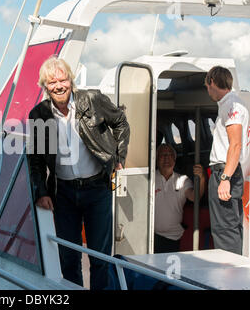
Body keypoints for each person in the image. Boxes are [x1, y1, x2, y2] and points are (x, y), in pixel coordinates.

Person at [27, 56, 130, 290]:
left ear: (71, 80)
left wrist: (118, 159)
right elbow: (34, 158)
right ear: (45, 86)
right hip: (62, 193)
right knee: (69, 257)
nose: (59, 86)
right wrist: (40, 191)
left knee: (99, 258)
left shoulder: (92, 100)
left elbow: (121, 122)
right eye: (52, 83)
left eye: (62, 80)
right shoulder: (39, 114)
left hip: (97, 190)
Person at [205, 66, 249, 255]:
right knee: (229, 227)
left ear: (212, 82)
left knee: (225, 230)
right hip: (228, 171)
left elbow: (236, 145)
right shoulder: (229, 104)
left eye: (207, 86)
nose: (207, 90)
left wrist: (225, 178)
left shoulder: (231, 106)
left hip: (226, 172)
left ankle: (229, 279)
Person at [154, 143, 205, 253]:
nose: (166, 158)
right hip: (151, 237)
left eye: (170, 154)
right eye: (163, 155)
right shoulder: (150, 179)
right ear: (157, 158)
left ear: (175, 159)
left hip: (175, 237)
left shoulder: (183, 180)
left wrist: (202, 178)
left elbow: (194, 197)